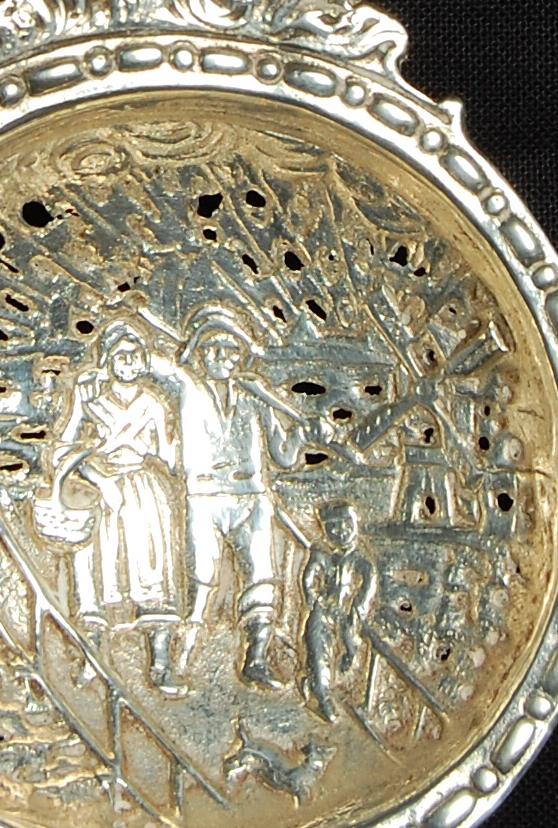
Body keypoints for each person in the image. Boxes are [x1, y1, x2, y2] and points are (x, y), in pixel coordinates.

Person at [35, 318, 182, 689]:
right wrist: (97, 475)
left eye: (135, 355)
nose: (129, 362)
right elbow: (62, 449)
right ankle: (92, 657)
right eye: (121, 355)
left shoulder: (153, 403)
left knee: (151, 567)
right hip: (100, 491)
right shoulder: (90, 402)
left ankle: (159, 663)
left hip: (144, 492)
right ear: (108, 361)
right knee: (93, 571)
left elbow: (169, 456)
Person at [169, 304, 304, 691]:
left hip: (251, 496)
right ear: (199, 353)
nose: (220, 357)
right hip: (204, 496)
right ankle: (183, 655)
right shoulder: (188, 388)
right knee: (201, 577)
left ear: (239, 356)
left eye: (229, 350)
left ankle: (256, 658)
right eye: (210, 349)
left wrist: (300, 432)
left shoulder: (256, 398)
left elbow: (284, 457)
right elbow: (166, 367)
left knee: (261, 575)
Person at [302, 498, 377, 723]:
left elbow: (367, 585)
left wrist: (355, 610)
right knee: (318, 649)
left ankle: (346, 674)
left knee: (349, 644)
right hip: (323, 611)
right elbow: (308, 579)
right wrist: (316, 599)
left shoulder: (360, 558)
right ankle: (321, 694)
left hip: (346, 614)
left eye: (346, 525)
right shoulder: (321, 554)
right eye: (333, 527)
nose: (341, 531)